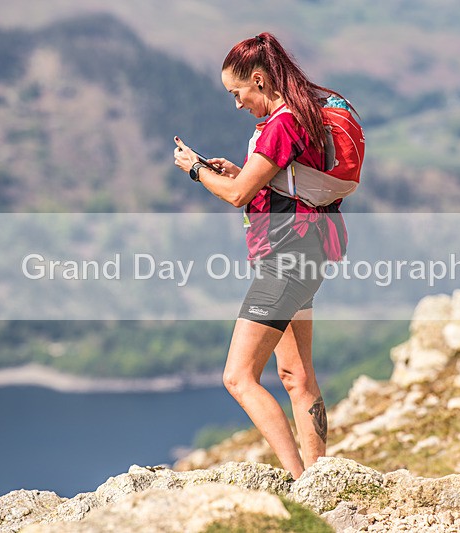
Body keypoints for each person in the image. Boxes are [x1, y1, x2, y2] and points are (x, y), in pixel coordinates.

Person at [173, 32, 351, 480]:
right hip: (310, 252)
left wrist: (195, 169)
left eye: (237, 93)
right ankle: (318, 478)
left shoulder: (281, 124)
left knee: (238, 377)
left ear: (259, 79)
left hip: (285, 260)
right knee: (295, 373)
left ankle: (297, 480)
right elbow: (282, 181)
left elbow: (237, 195)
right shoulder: (304, 114)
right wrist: (241, 171)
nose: (236, 105)